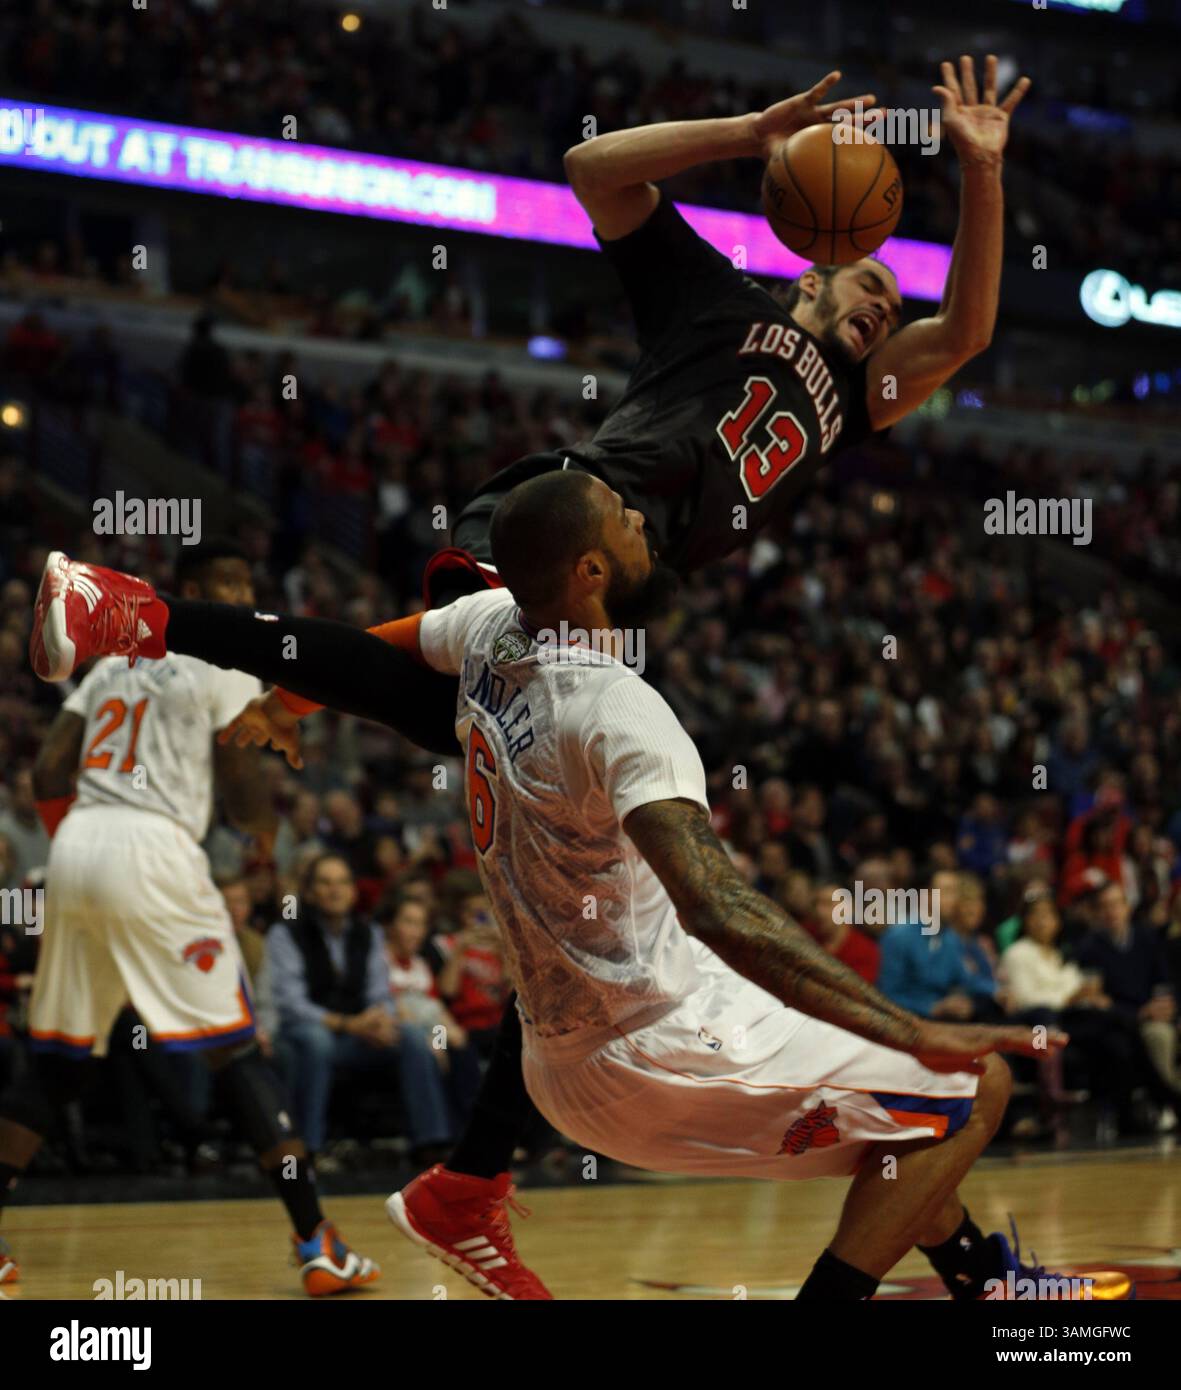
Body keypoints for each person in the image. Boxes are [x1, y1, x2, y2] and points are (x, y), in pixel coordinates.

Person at [31, 56, 1036, 1299]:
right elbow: (589, 172)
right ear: (808, 258)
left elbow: (975, 327)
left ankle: (481, 1181)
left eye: (893, 298)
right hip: (552, 525)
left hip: (591, 615)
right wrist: (750, 130)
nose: (884, 303)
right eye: (869, 278)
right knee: (502, 754)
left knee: (568, 891)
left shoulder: (858, 396)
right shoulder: (716, 301)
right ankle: (470, 1181)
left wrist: (979, 170)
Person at [31, 468, 1132, 1302]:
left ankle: (985, 1280)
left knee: (899, 1108)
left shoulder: (489, 636)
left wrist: (186, 638)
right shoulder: (620, 714)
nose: (643, 518)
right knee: (968, 1087)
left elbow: (356, 658)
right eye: (625, 515)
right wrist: (917, 1024)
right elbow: (719, 907)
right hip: (660, 1050)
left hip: (555, 1068)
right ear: (593, 570)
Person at [2, 539, 378, 1296]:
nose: (239, 598)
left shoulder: (111, 662)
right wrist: (262, 838)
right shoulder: (224, 657)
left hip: (78, 844)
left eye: (246, 582)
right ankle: (317, 1241)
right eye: (225, 585)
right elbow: (240, 768)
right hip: (154, 850)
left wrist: (83, 853)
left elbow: (48, 771)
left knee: (59, 1058)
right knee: (235, 1051)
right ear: (193, 592)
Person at [268, 852, 453, 1165]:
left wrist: (379, 1020)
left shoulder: (368, 933)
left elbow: (379, 993)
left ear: (353, 891)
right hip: (304, 1032)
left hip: (355, 1035)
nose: (334, 890)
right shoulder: (286, 933)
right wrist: (344, 1023)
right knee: (317, 1040)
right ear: (310, 892)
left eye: (342, 882)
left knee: (409, 1035)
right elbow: (291, 1003)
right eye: (325, 883)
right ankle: (307, 1148)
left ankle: (430, 1144)